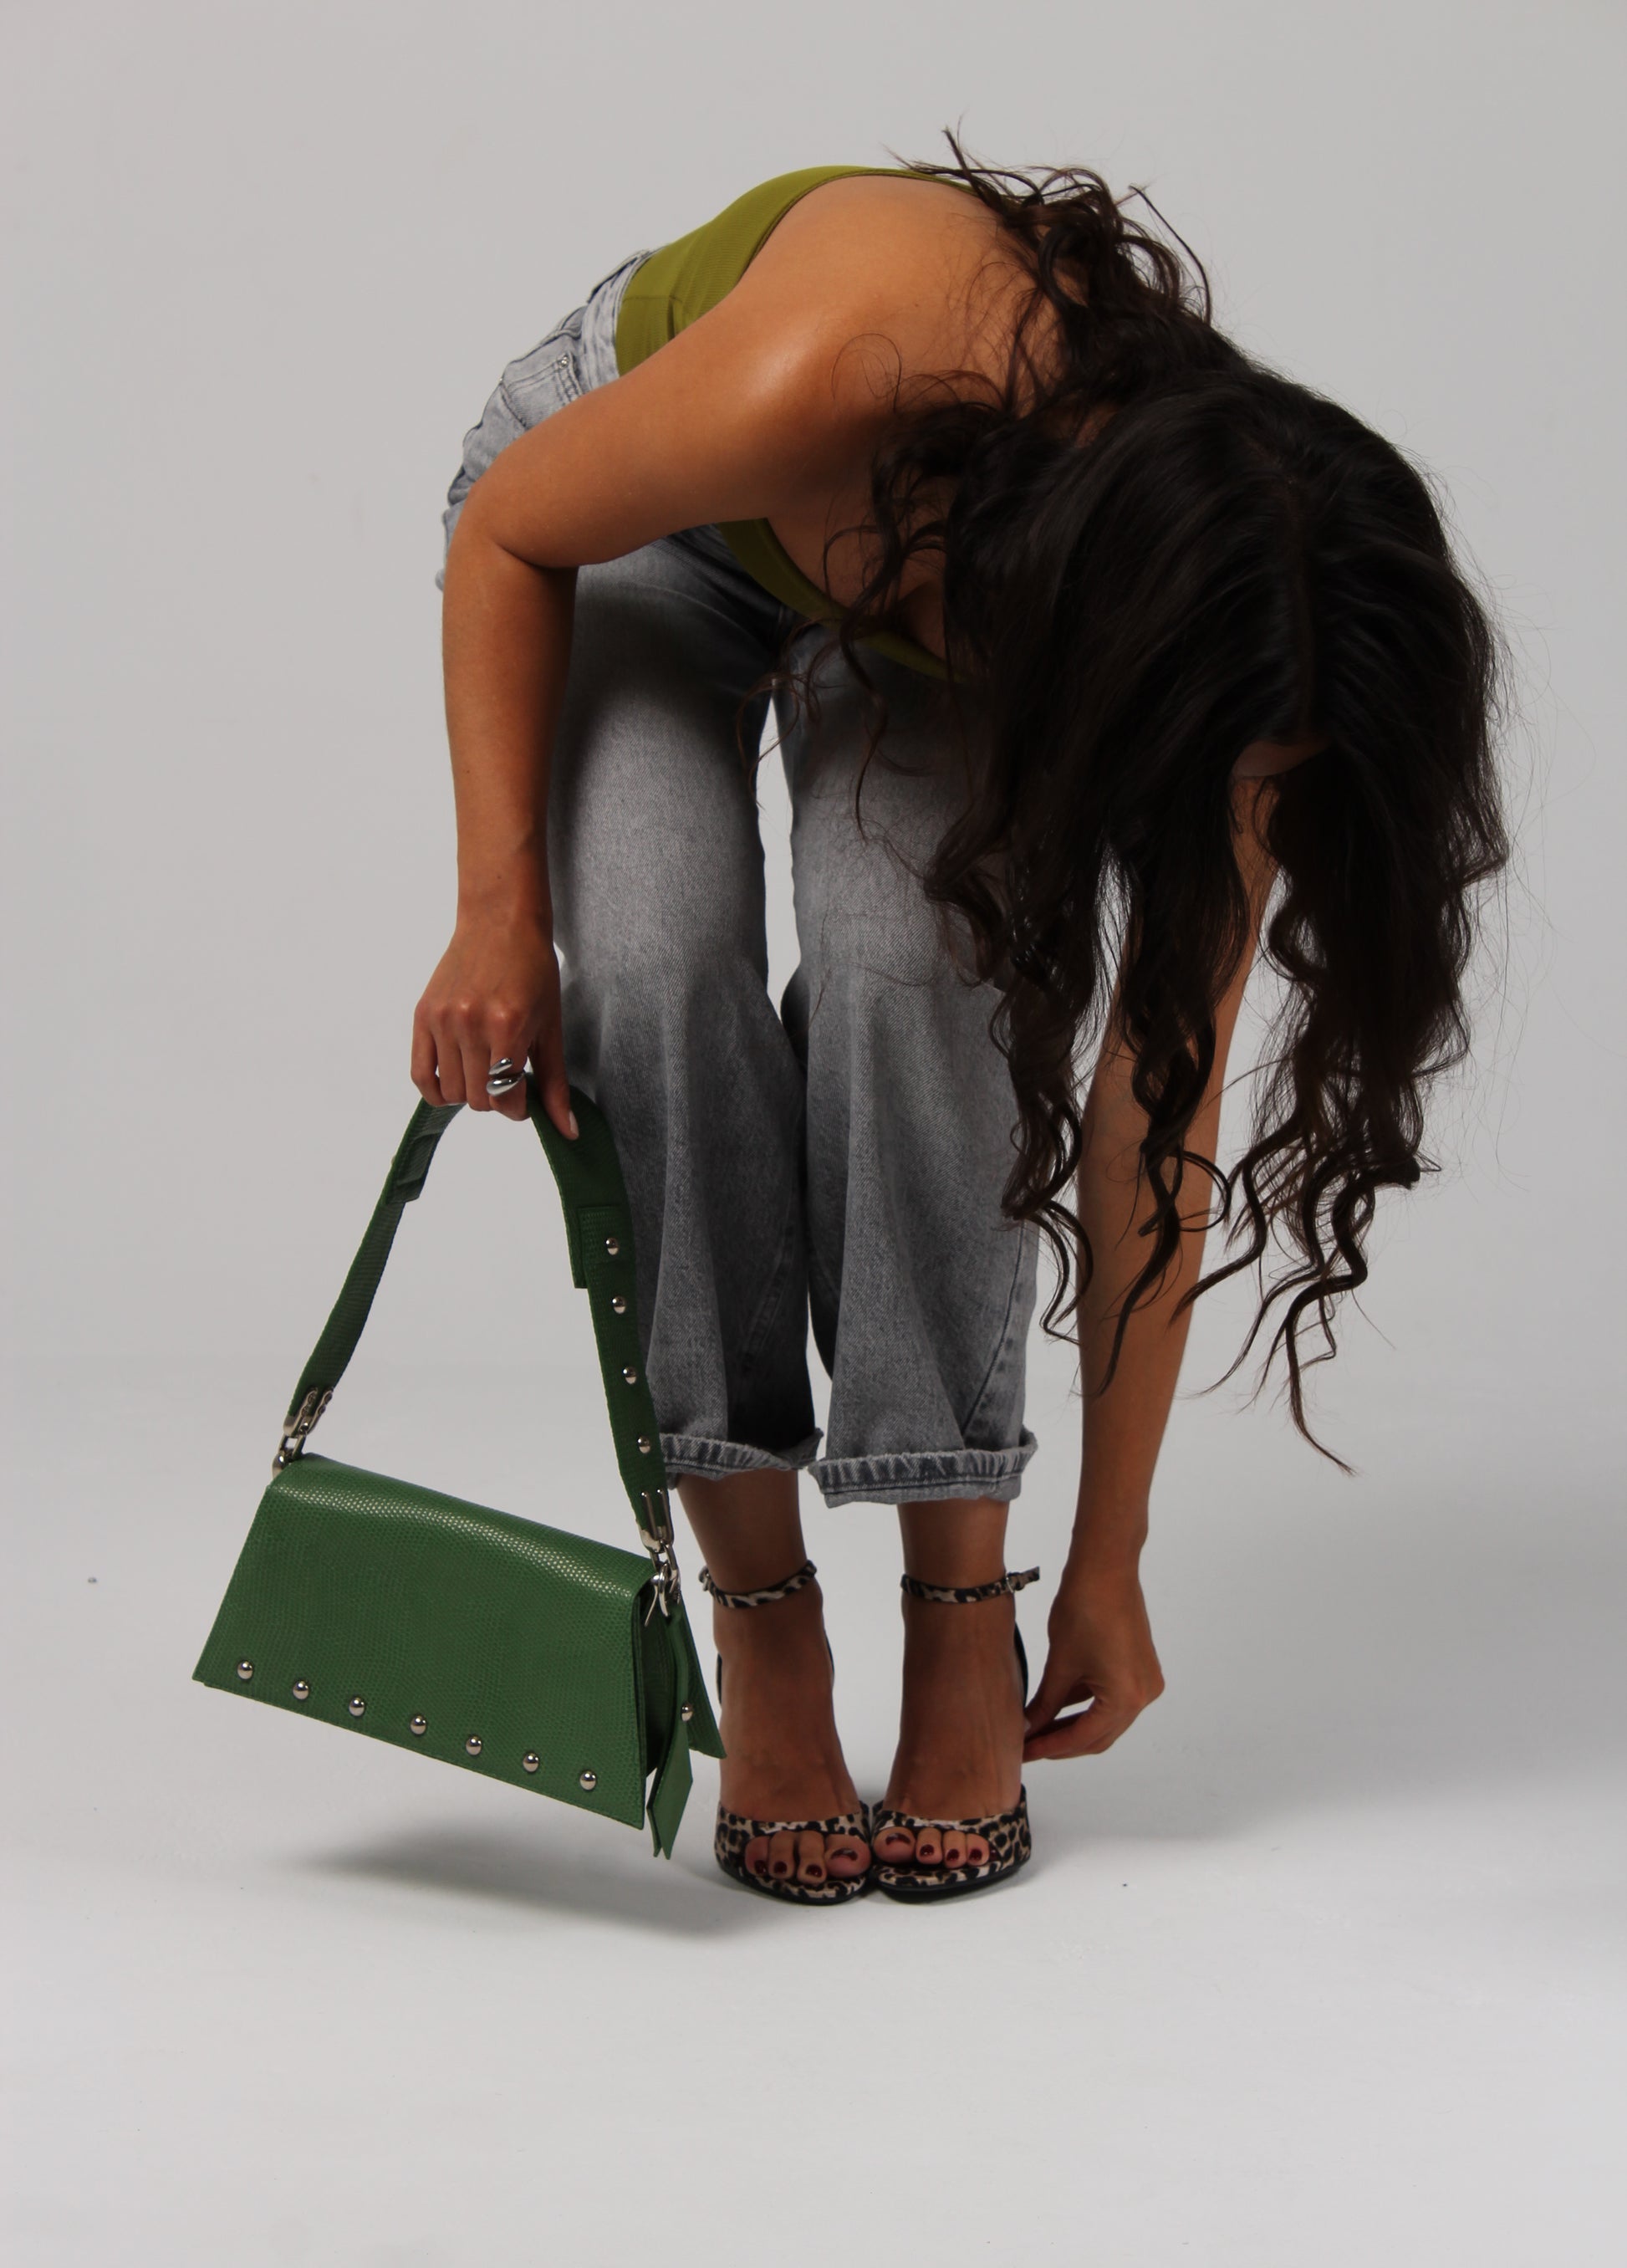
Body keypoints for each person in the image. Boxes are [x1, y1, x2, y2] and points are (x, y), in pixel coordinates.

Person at [413, 149, 1507, 1903]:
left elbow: (1160, 1097)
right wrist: (494, 912)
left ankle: (956, 1607)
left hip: (962, 582)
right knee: (654, 960)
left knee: (916, 963)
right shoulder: (832, 370)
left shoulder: (1243, 630)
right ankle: (762, 1610)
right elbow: (512, 532)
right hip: (638, 513)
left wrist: (1111, 1558)